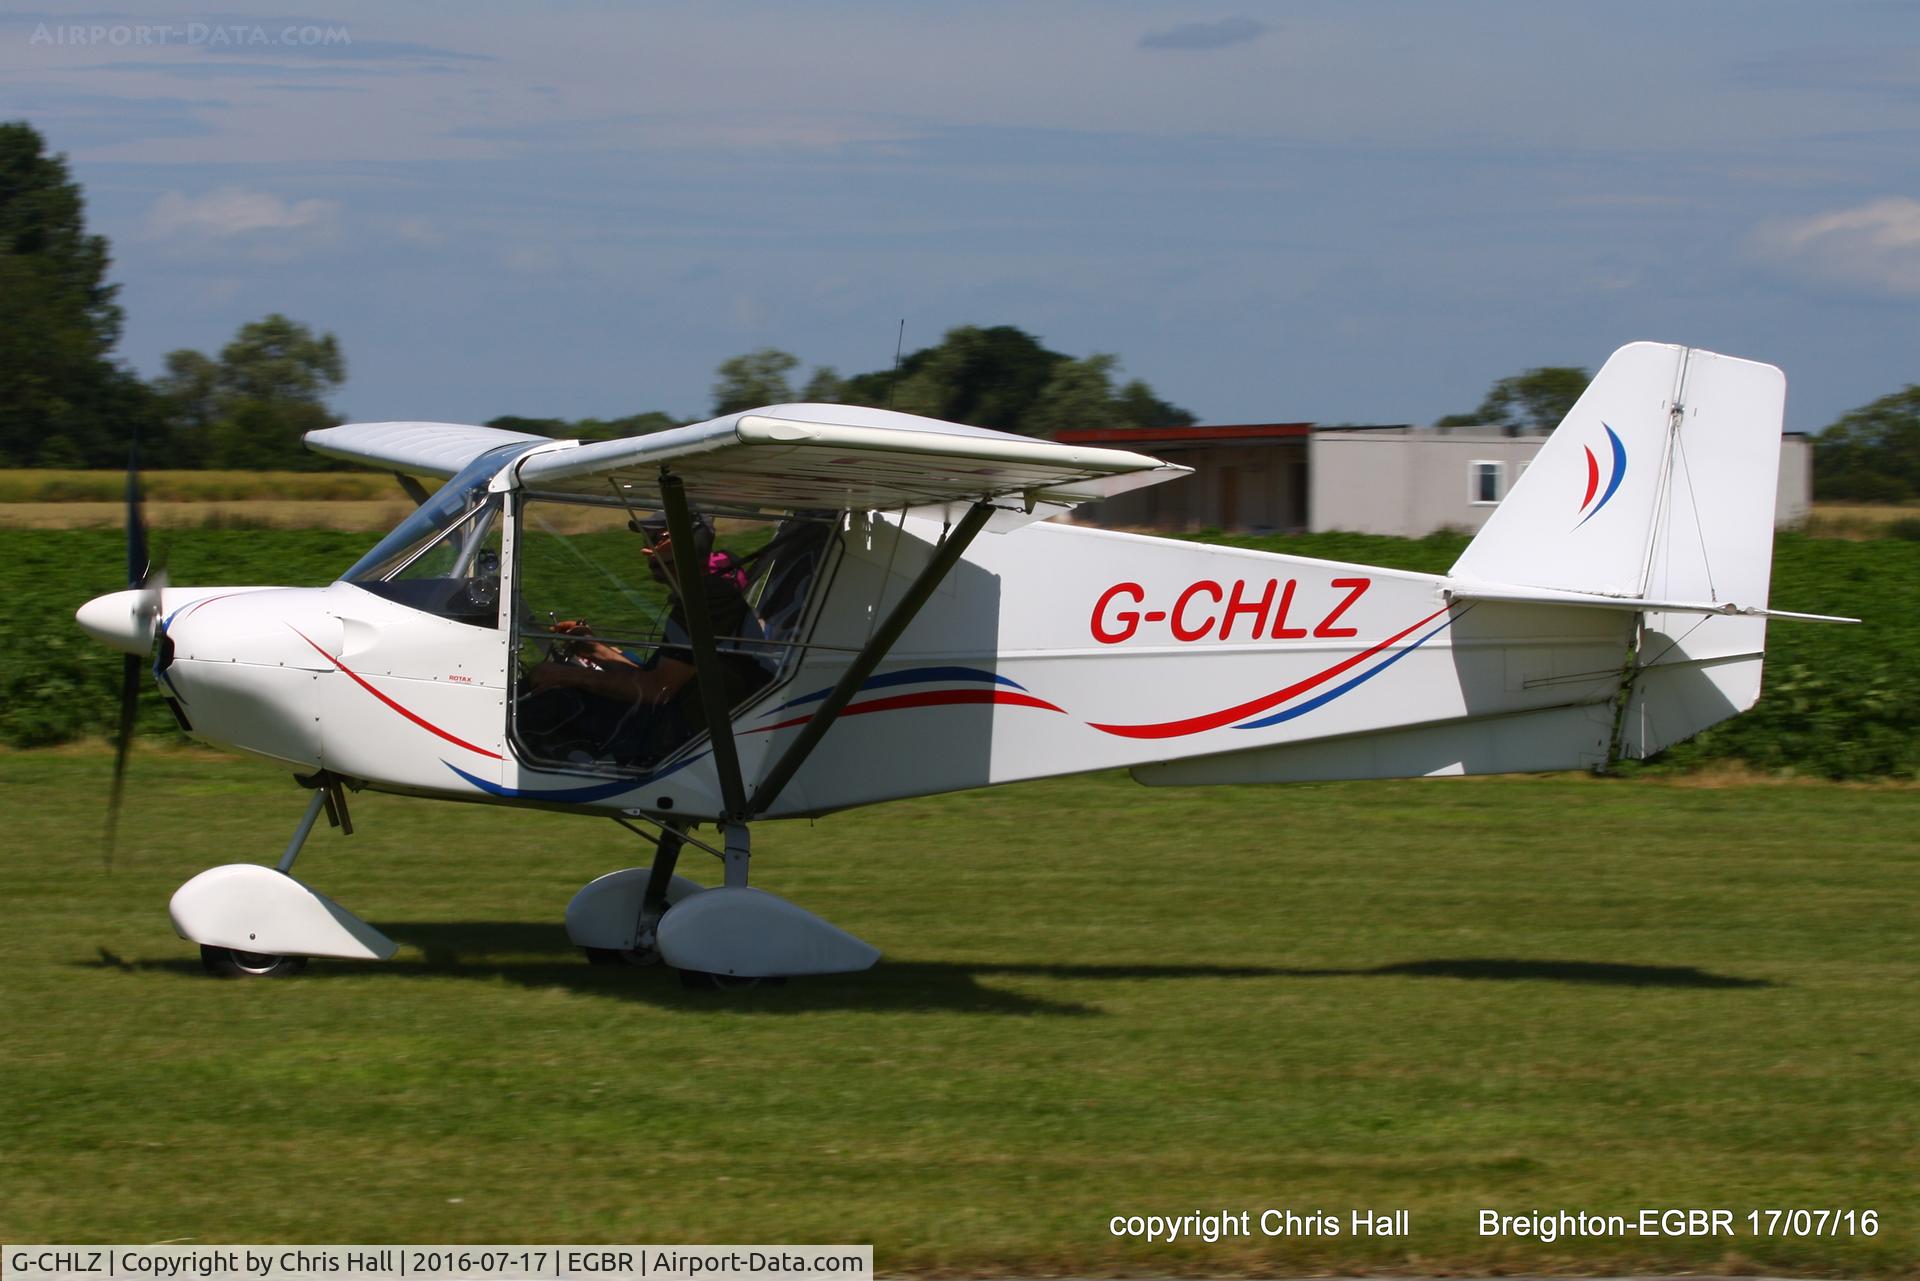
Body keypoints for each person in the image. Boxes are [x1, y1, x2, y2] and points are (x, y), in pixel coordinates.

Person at [521, 520, 770, 767]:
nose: (645, 550)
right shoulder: (702, 596)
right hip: (676, 722)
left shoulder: (705, 601)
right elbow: (653, 678)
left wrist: (568, 677)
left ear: (689, 541)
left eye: (657, 540)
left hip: (680, 739)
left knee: (552, 702)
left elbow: (656, 691)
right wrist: (593, 649)